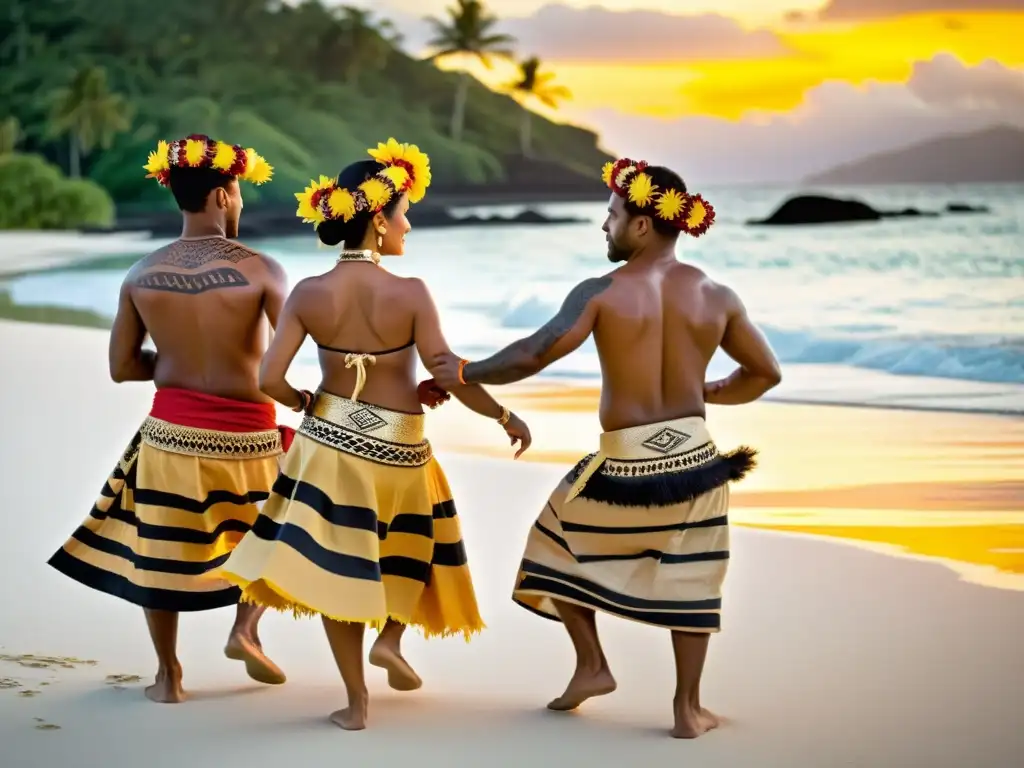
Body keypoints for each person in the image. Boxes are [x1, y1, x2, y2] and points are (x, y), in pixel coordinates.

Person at [428, 157, 782, 738]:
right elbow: (764, 373)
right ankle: (688, 709)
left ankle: (592, 663)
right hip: (697, 460)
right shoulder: (717, 295)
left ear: (642, 224)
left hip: (624, 463)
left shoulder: (603, 291)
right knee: (693, 577)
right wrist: (707, 391)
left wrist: (467, 369)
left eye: (612, 215)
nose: (604, 226)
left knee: (550, 543)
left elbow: (535, 352)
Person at [216, 138, 532, 731]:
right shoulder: (411, 292)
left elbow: (268, 378)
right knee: (412, 547)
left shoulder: (309, 293)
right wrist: (502, 415)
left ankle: (356, 701)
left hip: (329, 446)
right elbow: (446, 369)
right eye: (403, 212)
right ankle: (391, 640)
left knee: (342, 574)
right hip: (402, 449)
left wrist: (306, 402)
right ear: (379, 220)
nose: (407, 224)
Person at [47, 134, 292, 704]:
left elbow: (122, 366)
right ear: (224, 195)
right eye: (239, 191)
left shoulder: (140, 274)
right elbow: (285, 356)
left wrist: (177, 357)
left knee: (160, 549)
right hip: (249, 438)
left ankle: (168, 675)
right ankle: (245, 629)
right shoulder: (263, 270)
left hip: (171, 434)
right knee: (276, 530)